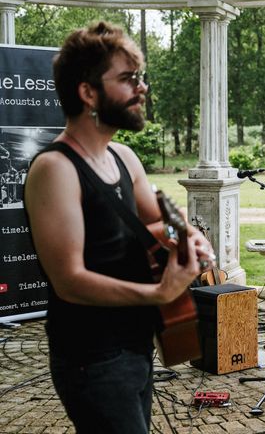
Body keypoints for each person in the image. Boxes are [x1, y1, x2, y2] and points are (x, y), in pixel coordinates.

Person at [25, 22, 212, 433]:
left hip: (137, 345)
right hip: (92, 358)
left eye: (139, 77)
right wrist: (160, 292)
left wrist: (190, 240)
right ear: (88, 92)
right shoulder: (55, 170)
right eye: (127, 79)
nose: (141, 88)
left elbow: (158, 224)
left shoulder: (124, 157)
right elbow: (69, 280)